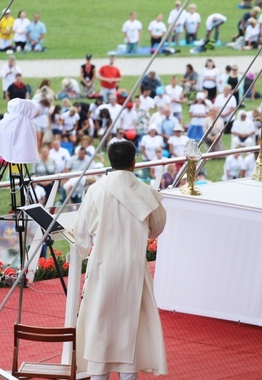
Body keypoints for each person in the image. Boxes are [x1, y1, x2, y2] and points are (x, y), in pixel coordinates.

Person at [74, 141, 168, 379]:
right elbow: (156, 229)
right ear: (134, 161)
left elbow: (81, 235)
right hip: (133, 267)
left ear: (110, 161)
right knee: (130, 327)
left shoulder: (96, 190)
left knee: (100, 324)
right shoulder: (145, 191)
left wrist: (83, 249)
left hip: (103, 266)